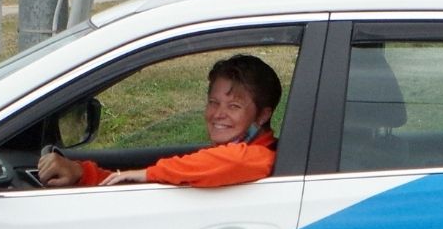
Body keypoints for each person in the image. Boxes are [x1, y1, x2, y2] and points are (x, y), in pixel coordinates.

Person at [38, 54, 281, 188]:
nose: (218, 114)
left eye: (234, 106)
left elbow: (236, 161)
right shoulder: (221, 158)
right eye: (213, 102)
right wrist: (81, 174)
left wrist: (149, 174)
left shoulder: (260, 157)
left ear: (263, 115)